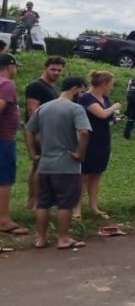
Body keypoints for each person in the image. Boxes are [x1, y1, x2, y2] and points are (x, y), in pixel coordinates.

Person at [26, 76, 91, 250]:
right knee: (66, 203)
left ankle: (40, 238)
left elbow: (29, 130)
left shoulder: (43, 108)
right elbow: (84, 132)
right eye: (82, 91)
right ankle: (63, 238)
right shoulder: (76, 109)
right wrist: (80, 153)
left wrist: (33, 153)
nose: (82, 95)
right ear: (75, 89)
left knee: (43, 202)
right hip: (67, 165)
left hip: (45, 164)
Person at [77, 70, 123, 220]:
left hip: (103, 139)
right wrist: (114, 107)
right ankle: (76, 209)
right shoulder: (86, 98)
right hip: (89, 140)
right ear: (103, 84)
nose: (111, 87)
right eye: (110, 84)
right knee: (84, 175)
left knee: (97, 174)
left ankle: (93, 206)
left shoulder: (104, 98)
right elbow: (101, 114)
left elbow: (106, 117)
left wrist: (114, 117)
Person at [25, 56, 65, 209]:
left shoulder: (52, 88)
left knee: (39, 165)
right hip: (39, 131)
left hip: (49, 131)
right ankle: (34, 200)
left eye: (59, 70)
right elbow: (31, 110)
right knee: (40, 165)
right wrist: (39, 132)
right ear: (45, 68)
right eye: (53, 69)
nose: (56, 73)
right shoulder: (36, 86)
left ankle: (33, 200)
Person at [0, 54, 27, 235]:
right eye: (15, 66)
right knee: (5, 180)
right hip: (3, 140)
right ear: (9, 66)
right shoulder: (6, 84)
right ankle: (3, 220)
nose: (16, 70)